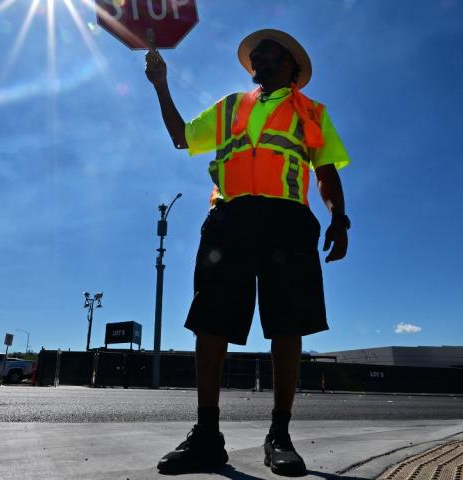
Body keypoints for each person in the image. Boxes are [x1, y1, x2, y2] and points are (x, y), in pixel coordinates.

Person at [145, 29, 351, 476]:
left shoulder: (312, 112)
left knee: (288, 325)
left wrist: (339, 217)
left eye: (268, 54)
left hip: (288, 221)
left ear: (292, 69)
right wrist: (161, 85)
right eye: (255, 55)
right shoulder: (232, 106)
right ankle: (206, 436)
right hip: (230, 219)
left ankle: (280, 435)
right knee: (211, 321)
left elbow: (326, 170)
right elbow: (182, 137)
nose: (257, 59)